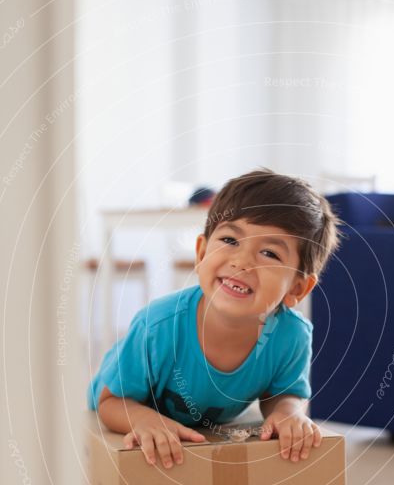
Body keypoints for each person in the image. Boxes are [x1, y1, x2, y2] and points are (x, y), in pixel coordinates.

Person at [88, 168, 341, 466]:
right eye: (230, 240)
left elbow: (284, 393)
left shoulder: (291, 335)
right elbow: (110, 402)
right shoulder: (157, 325)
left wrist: (288, 412)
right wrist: (143, 420)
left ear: (298, 288)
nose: (242, 261)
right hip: (123, 396)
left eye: (270, 254)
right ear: (201, 252)